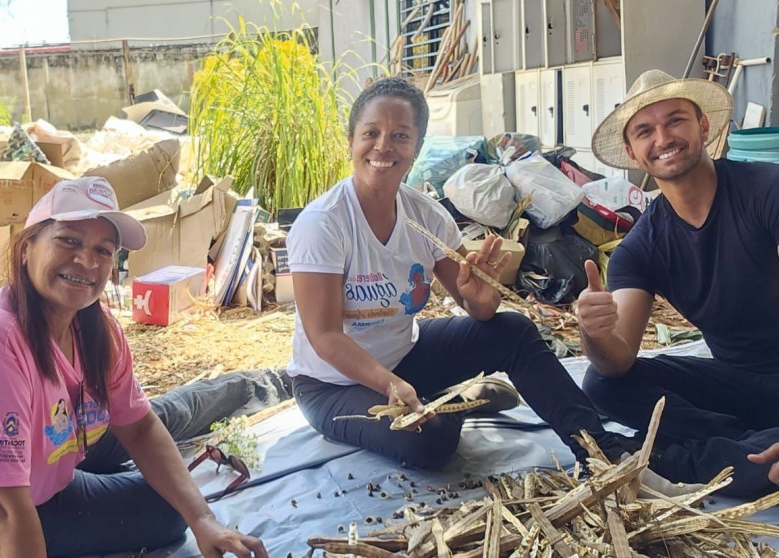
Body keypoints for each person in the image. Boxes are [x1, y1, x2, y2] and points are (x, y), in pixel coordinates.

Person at [286, 77, 642, 473]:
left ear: (416, 148)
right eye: (371, 133)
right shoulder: (324, 223)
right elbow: (325, 337)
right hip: (333, 386)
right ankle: (457, 400)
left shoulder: (426, 215)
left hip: (405, 357)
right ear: (351, 142)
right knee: (429, 441)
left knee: (514, 332)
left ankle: (602, 453)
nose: (383, 146)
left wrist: (482, 293)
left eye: (400, 135)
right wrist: (388, 384)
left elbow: (482, 311)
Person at [0, 177, 268, 558]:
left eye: (103, 249)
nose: (87, 260)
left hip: (47, 487)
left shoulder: (98, 329)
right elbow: (1, 506)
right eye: (68, 240)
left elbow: (141, 427)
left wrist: (203, 519)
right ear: (27, 247)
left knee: (171, 511)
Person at [577, 69, 779, 498]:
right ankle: (744, 446)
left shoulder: (767, 191)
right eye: (645, 131)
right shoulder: (639, 249)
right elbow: (618, 359)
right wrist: (593, 333)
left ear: (703, 126)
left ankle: (672, 460)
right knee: (599, 382)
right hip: (734, 387)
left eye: (676, 120)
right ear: (633, 153)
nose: (664, 137)